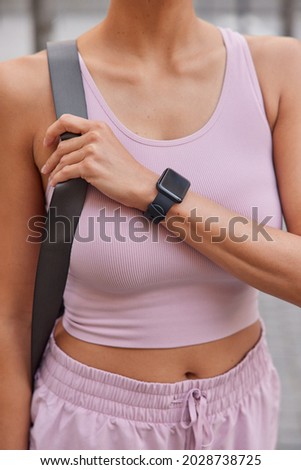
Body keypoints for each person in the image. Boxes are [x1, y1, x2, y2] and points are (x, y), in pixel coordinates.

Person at [0, 0, 300, 451]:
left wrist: (151, 191)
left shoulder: (280, 70)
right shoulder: (26, 89)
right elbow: (10, 317)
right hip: (93, 429)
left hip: (241, 418)